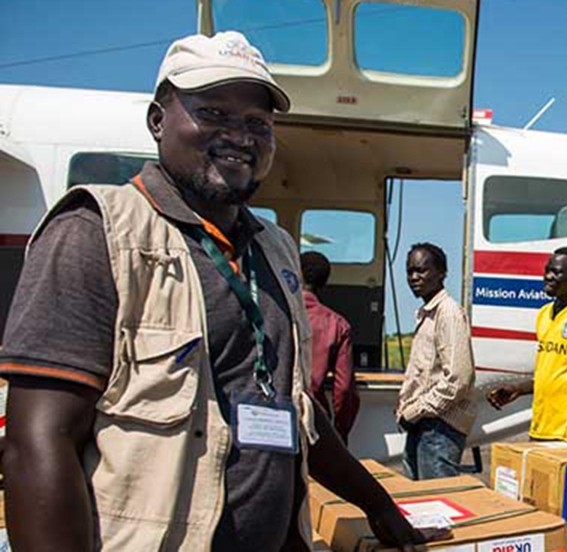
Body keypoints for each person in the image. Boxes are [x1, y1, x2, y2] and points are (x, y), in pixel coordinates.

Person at [0, 32, 444, 551]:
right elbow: (36, 444)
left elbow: (297, 412)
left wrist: (378, 504)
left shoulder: (275, 250)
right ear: (158, 121)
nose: (240, 136)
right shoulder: (97, 232)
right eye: (212, 113)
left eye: (258, 123)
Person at [486, 246, 567, 441]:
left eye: (557, 272)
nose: (549, 276)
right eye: (547, 270)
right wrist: (517, 389)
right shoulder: (543, 314)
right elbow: (552, 373)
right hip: (540, 428)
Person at [394, 242, 477, 479]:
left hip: (439, 427)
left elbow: (459, 379)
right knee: (418, 502)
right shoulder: (427, 314)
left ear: (441, 273)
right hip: (424, 424)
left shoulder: (448, 313)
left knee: (437, 505)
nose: (414, 277)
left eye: (422, 270)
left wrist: (416, 410)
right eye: (410, 271)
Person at [302, 251, 360, 443]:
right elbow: (344, 389)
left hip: (274, 418)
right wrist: (339, 432)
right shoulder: (337, 324)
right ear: (324, 283)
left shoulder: (275, 314)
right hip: (315, 419)